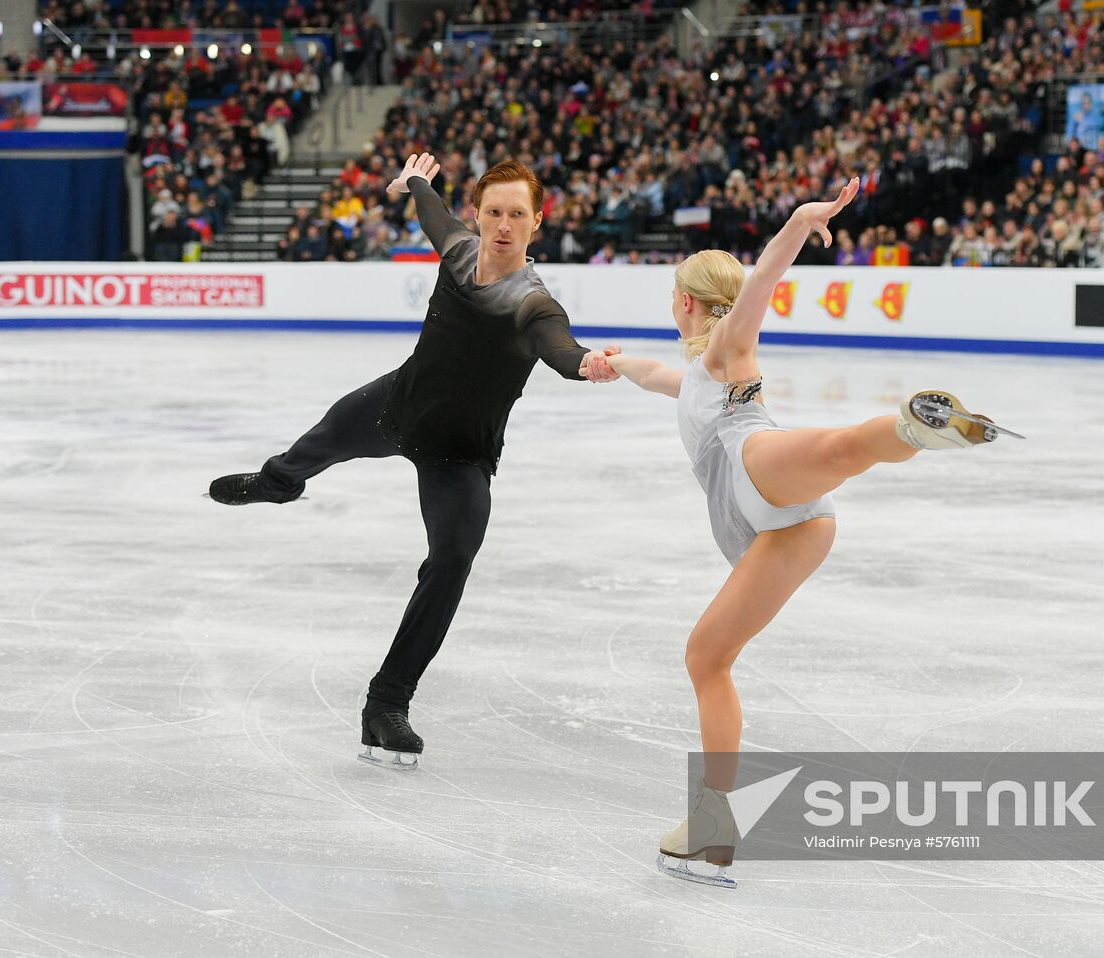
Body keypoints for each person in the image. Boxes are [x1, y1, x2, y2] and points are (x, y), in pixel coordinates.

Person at [592, 179, 1012, 887]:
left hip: (751, 461)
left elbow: (758, 289)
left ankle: (917, 426)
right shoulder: (695, 369)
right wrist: (611, 363)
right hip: (789, 530)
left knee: (838, 449)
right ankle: (714, 825)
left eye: (674, 296)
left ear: (686, 302)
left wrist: (793, 225)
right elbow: (656, 373)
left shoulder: (726, 351)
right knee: (706, 656)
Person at [207, 153, 621, 769]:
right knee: (319, 438)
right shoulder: (457, 250)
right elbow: (433, 212)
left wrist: (587, 364)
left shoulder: (533, 304)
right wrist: (416, 183)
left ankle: (387, 702)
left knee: (451, 564)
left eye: (517, 215)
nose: (503, 225)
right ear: (479, 215)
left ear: (538, 222)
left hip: (459, 456)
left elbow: (561, 349)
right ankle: (277, 483)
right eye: (493, 212)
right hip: (395, 408)